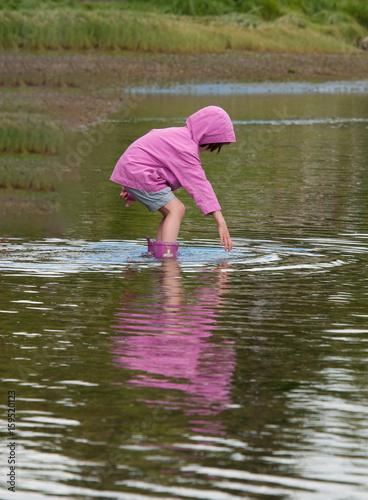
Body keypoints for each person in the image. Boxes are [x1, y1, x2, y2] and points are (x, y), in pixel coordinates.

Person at [110, 105, 236, 258]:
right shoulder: (185, 147)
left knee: (168, 211)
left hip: (135, 171)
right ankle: (167, 259)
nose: (213, 149)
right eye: (216, 144)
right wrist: (220, 221)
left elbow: (149, 159)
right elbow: (199, 185)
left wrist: (132, 190)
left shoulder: (178, 136)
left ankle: (158, 254)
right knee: (176, 209)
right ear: (207, 135)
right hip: (138, 171)